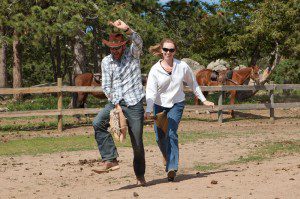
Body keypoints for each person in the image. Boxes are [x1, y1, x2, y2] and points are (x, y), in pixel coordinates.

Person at [144, 38, 214, 182]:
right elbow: (150, 91)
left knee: (171, 133)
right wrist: (149, 109)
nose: (168, 53)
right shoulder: (155, 69)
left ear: (175, 51)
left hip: (176, 104)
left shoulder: (182, 66)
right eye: (165, 50)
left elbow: (193, 84)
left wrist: (203, 99)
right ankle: (167, 156)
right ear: (161, 51)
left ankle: (172, 167)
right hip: (159, 105)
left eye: (171, 50)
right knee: (160, 137)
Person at [92, 19, 146, 186]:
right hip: (115, 102)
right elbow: (106, 86)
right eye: (111, 48)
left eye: (117, 48)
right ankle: (110, 159)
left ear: (123, 45)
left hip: (134, 103)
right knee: (97, 123)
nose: (114, 51)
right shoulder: (106, 62)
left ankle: (139, 175)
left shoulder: (133, 54)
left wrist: (127, 29)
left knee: (136, 142)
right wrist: (116, 105)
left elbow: (138, 42)